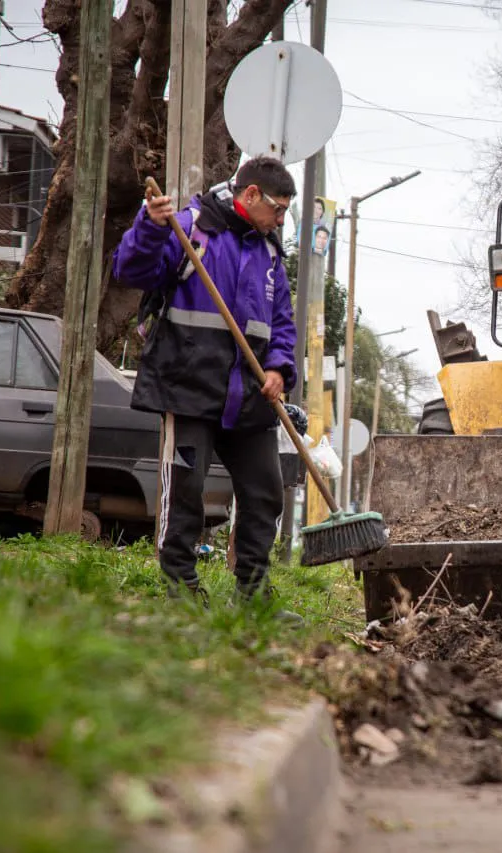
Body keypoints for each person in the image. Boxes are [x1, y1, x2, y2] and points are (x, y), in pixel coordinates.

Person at [112, 155, 305, 621]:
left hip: (250, 395)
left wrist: (279, 368)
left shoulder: (270, 253)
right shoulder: (189, 228)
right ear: (251, 195)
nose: (281, 220)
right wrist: (150, 227)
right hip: (189, 386)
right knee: (185, 489)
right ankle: (181, 589)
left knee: (264, 492)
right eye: (278, 209)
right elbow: (130, 270)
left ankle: (253, 595)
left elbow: (281, 322)